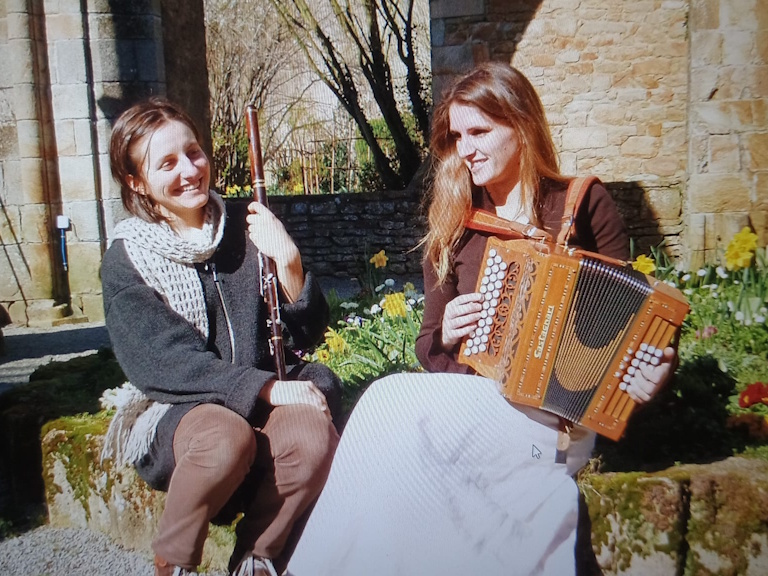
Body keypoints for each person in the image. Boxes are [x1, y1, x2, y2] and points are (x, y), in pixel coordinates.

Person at [285, 62, 677, 576]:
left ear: (521, 125)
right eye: (456, 136)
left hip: (559, 419)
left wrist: (650, 377)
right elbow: (428, 345)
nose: (465, 149)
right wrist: (446, 331)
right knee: (385, 402)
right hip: (478, 399)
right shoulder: (456, 223)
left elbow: (630, 321)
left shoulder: (582, 204)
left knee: (391, 413)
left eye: (479, 132)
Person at [100, 97, 341, 576]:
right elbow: (163, 364)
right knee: (225, 436)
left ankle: (257, 559)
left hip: (256, 399)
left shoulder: (246, 229)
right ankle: (175, 562)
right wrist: (264, 388)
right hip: (179, 414)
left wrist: (290, 264)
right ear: (136, 182)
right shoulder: (128, 257)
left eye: (193, 153)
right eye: (166, 163)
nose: (190, 170)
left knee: (312, 433)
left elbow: (305, 335)